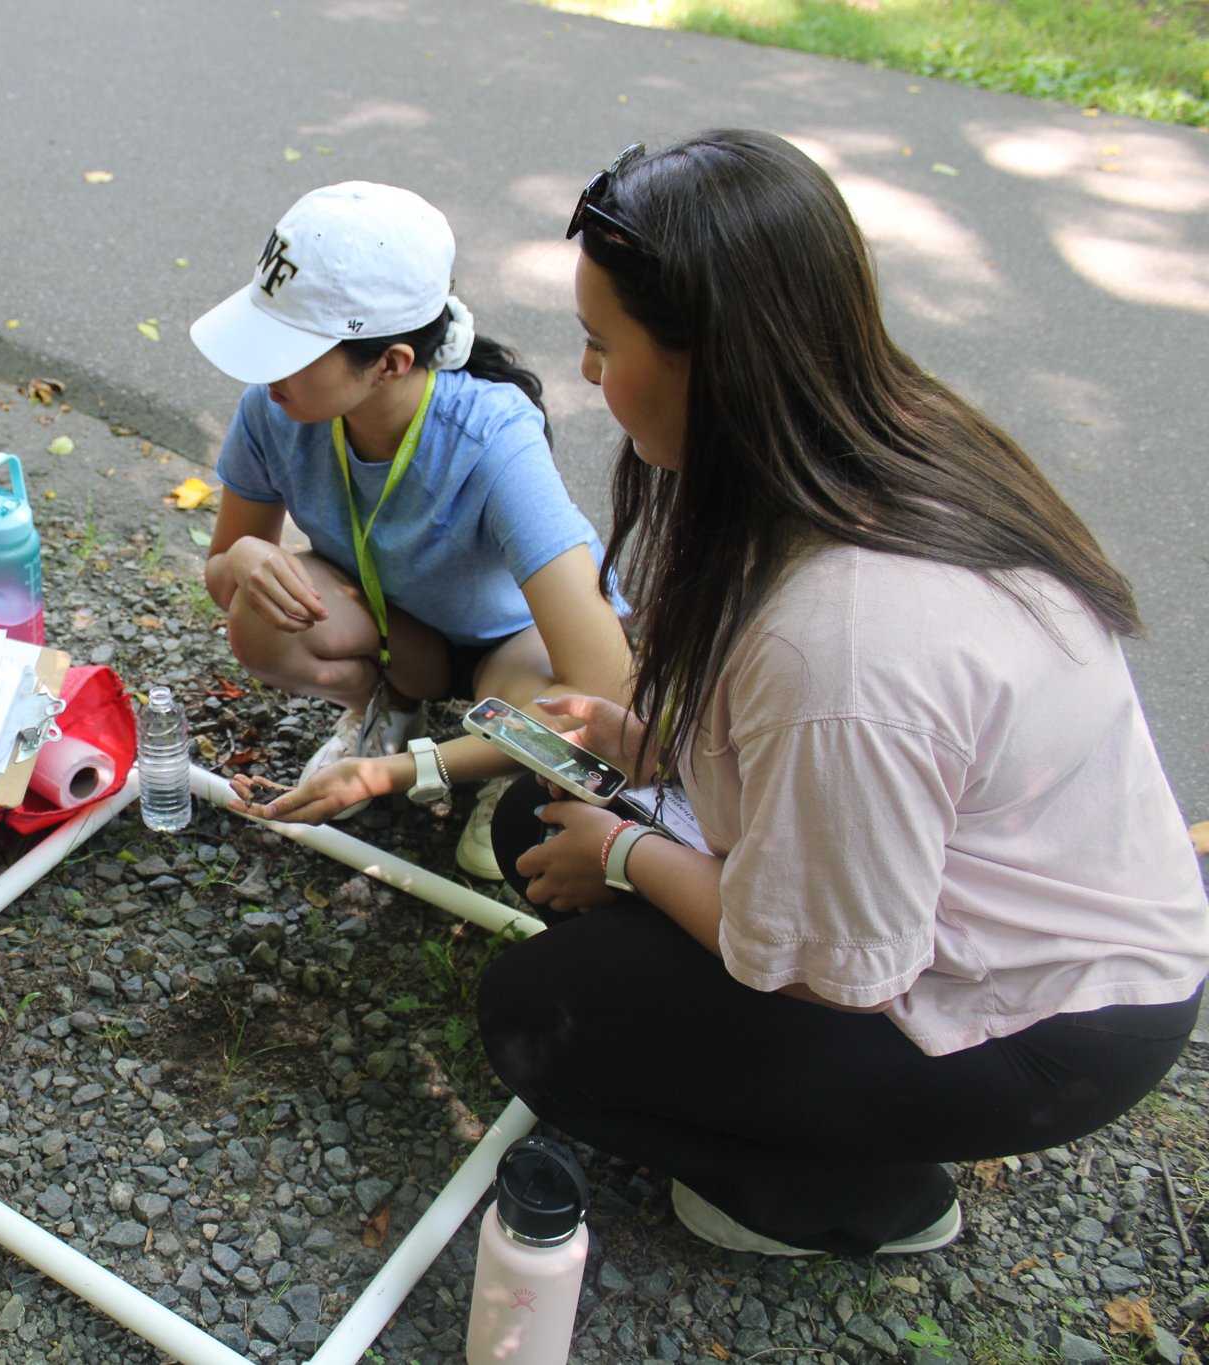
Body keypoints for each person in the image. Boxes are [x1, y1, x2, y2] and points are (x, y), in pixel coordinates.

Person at [477, 131, 1209, 1256]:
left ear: (711, 361)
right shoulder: (866, 442)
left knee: (534, 1017)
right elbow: (837, 772)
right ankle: (800, 1110)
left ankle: (854, 1199)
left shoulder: (846, 645)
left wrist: (627, 855)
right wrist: (653, 749)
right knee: (542, 817)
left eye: (597, 341)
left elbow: (824, 968)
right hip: (950, 901)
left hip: (1044, 1019)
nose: (583, 372)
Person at [191, 181, 633, 876]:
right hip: (406, 625)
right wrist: (244, 555)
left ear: (392, 363)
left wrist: (397, 777)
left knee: (551, 724)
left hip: (513, 646)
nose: (263, 370)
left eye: (291, 349)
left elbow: (604, 685)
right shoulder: (272, 409)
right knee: (257, 616)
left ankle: (506, 773)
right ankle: (387, 709)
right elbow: (222, 577)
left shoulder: (491, 438)